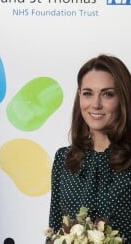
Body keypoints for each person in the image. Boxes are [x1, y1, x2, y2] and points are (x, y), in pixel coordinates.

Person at [48, 54, 131, 243]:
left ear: (123, 98)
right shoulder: (64, 158)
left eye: (107, 94)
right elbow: (54, 232)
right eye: (88, 93)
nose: (96, 104)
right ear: (79, 97)